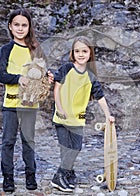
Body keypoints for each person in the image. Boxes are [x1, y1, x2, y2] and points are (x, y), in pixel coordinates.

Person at [0, 8, 52, 192]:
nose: (20, 28)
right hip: (11, 104)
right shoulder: (6, 50)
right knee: (8, 142)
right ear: (10, 27)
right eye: (16, 25)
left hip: (29, 105)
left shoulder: (35, 49)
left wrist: (47, 77)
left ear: (29, 27)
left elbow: (41, 73)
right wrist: (18, 78)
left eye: (24, 25)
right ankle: (8, 179)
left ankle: (30, 177)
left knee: (28, 141)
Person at [51, 36, 115, 192]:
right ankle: (61, 177)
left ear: (90, 54)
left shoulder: (90, 76)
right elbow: (57, 89)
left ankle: (65, 173)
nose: (81, 54)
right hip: (62, 118)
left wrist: (108, 115)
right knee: (66, 149)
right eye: (77, 51)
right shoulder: (66, 68)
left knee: (76, 147)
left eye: (84, 51)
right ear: (72, 53)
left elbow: (100, 97)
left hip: (77, 120)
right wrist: (59, 107)